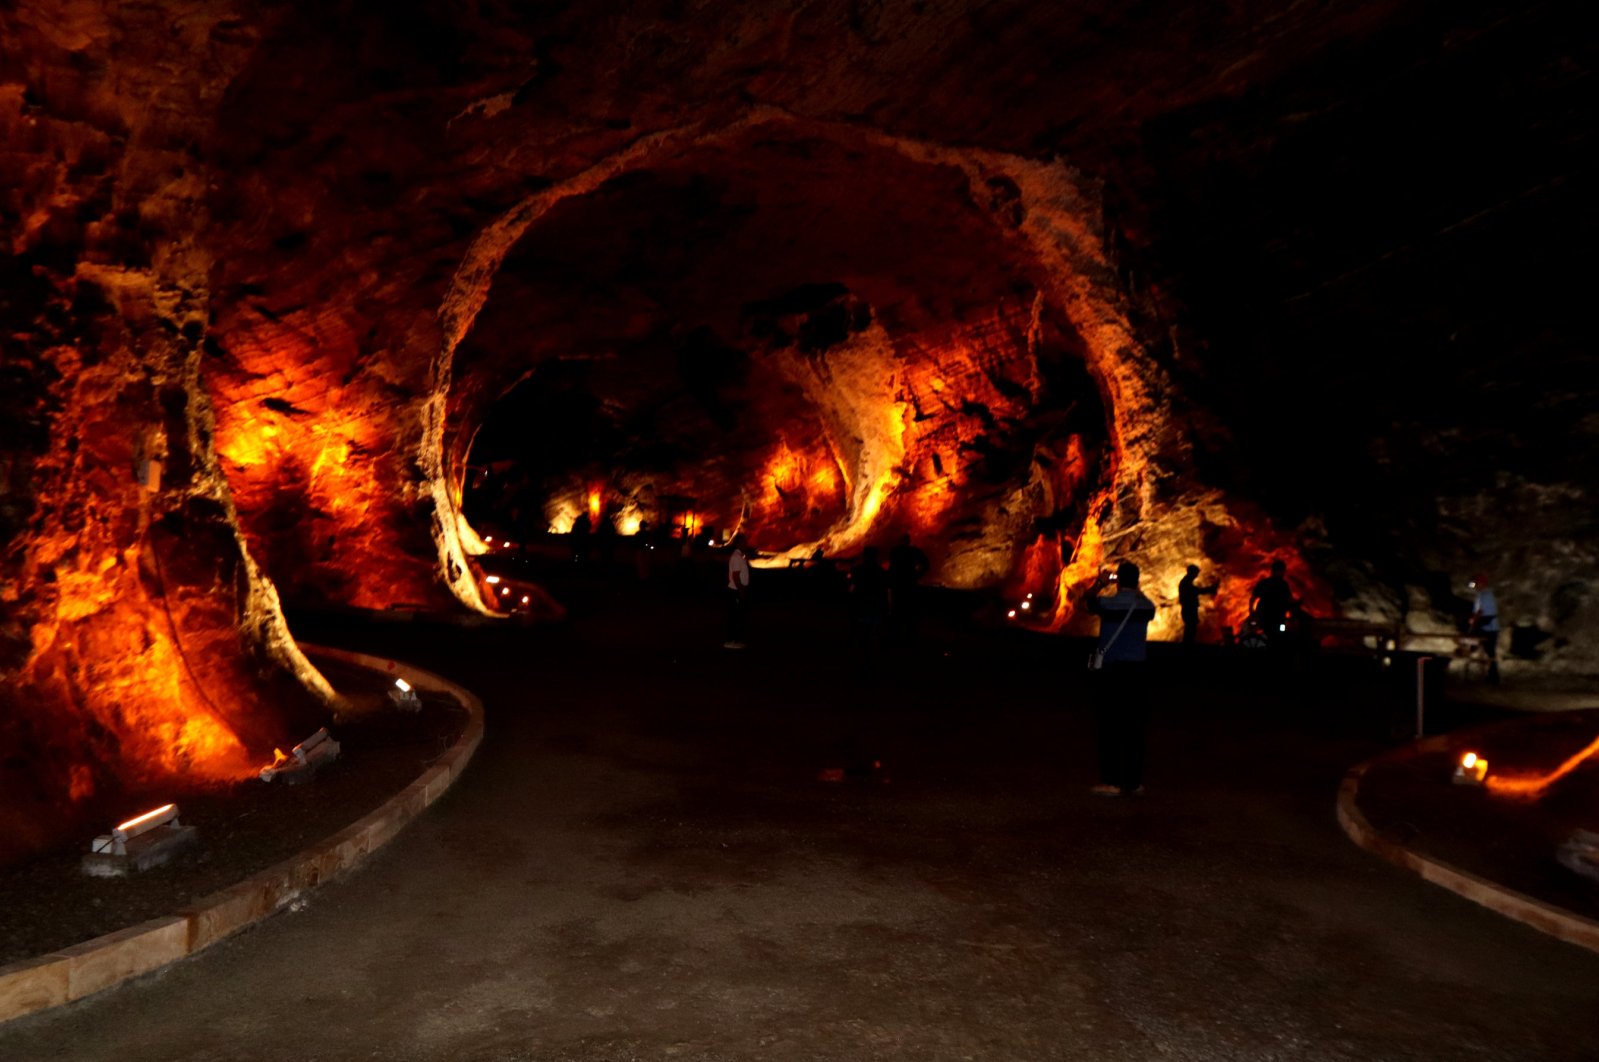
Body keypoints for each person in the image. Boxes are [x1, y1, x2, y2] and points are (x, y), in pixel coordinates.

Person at [1086, 561, 1157, 797]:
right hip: (1138, 673)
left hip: (1113, 672)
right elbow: (1146, 602)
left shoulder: (1108, 604)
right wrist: (1133, 588)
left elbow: (1086, 601)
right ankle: (1134, 782)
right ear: (1136, 581)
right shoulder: (1146, 607)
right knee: (1135, 728)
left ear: (1119, 580)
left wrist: (1101, 583)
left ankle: (1112, 782)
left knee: (1110, 727)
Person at [887, 534, 931, 644]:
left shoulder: (895, 551)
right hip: (909, 583)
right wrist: (917, 575)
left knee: (897, 610)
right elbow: (926, 564)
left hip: (898, 584)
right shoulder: (914, 551)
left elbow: (892, 567)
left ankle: (895, 637)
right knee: (910, 610)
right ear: (908, 541)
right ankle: (909, 637)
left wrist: (890, 580)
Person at [1249, 559, 1297, 646]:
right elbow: (1253, 598)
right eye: (1281, 571)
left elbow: (1289, 600)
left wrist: (1252, 613)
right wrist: (1252, 613)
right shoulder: (1276, 584)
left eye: (1283, 571)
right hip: (1270, 618)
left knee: (1279, 634)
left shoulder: (1280, 584)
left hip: (1274, 617)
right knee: (1276, 636)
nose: (1282, 573)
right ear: (1275, 571)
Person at [1468, 574, 1501, 684]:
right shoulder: (1480, 595)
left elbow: (1485, 613)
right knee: (1488, 651)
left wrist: (1475, 621)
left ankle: (1493, 676)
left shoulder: (1487, 595)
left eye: (1477, 583)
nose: (1476, 586)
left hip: (1490, 628)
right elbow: (1477, 611)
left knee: (1490, 652)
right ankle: (1491, 674)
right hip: (1484, 627)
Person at [1177, 564, 1217, 645]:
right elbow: (1196, 591)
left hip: (1189, 608)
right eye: (1196, 573)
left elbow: (1196, 591)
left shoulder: (1186, 582)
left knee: (1190, 629)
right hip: (1189, 609)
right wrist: (1210, 589)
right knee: (1190, 629)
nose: (1196, 575)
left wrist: (1209, 589)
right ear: (1191, 572)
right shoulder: (1186, 583)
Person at [724, 533, 751, 649]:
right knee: (735, 616)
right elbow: (735, 576)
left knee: (737, 616)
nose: (746, 544)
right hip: (736, 590)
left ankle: (734, 640)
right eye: (744, 542)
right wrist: (741, 591)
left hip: (736, 589)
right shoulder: (736, 557)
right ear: (739, 543)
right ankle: (731, 641)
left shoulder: (739, 556)